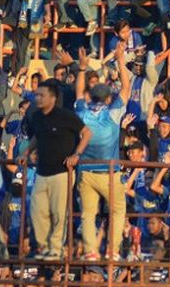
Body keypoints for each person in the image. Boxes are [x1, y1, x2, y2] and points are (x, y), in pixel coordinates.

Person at [21, 79, 91, 260]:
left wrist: (77, 154)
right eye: (36, 95)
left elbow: (87, 133)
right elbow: (37, 136)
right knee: (37, 210)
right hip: (42, 171)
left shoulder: (65, 115)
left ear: (52, 98)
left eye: (41, 95)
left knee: (59, 213)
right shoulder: (36, 117)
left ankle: (56, 249)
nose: (38, 98)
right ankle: (44, 247)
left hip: (62, 172)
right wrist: (27, 151)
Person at [75, 42, 130, 261]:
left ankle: (91, 251)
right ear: (108, 98)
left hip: (87, 172)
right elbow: (126, 88)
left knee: (88, 214)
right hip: (110, 173)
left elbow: (79, 92)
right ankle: (113, 250)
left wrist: (81, 68)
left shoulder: (82, 112)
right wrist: (120, 60)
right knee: (117, 211)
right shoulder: (113, 113)